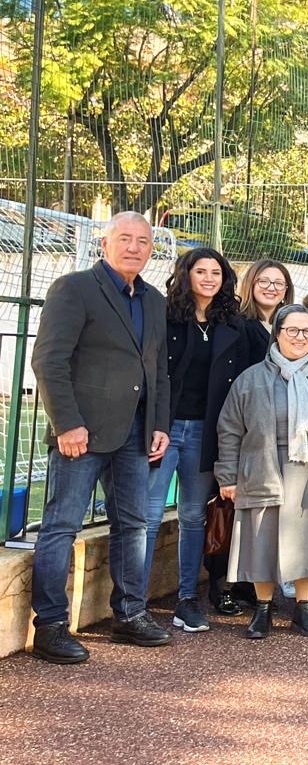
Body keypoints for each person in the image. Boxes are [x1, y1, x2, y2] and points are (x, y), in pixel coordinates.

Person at [30, 213, 174, 663]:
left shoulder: (153, 300)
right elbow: (49, 361)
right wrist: (67, 423)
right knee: (61, 526)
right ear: (104, 242)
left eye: (143, 241)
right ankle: (50, 626)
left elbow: (158, 370)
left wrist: (159, 424)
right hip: (81, 434)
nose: (134, 247)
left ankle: (129, 615)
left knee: (133, 525)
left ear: (152, 249)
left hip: (134, 433)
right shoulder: (73, 289)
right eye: (125, 239)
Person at [214, 305, 308, 640]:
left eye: (306, 331)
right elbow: (229, 429)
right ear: (277, 334)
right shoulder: (251, 378)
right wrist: (227, 476)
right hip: (263, 466)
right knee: (261, 538)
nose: (300, 337)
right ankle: (264, 608)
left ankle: (304, 608)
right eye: (292, 330)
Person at [148, 247, 268, 633]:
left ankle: (186, 599)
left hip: (205, 430)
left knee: (193, 516)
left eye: (216, 272)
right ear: (186, 274)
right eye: (201, 271)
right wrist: (153, 423)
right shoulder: (164, 317)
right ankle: (133, 602)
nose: (209, 278)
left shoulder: (232, 324)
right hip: (164, 429)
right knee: (148, 517)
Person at [237, 259, 293, 344]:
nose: (271, 288)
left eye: (279, 283)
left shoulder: (294, 322)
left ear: (286, 289)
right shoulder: (237, 324)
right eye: (263, 281)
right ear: (250, 284)